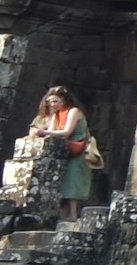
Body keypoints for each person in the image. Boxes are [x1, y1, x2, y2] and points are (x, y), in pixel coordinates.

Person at [27, 86, 94, 224]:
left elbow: (66, 132)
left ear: (64, 100)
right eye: (50, 102)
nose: (52, 104)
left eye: (55, 101)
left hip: (77, 149)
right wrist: (49, 120)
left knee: (72, 179)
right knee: (62, 179)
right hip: (66, 150)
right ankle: (64, 213)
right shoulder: (58, 114)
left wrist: (43, 132)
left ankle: (73, 214)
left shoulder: (73, 111)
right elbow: (52, 131)